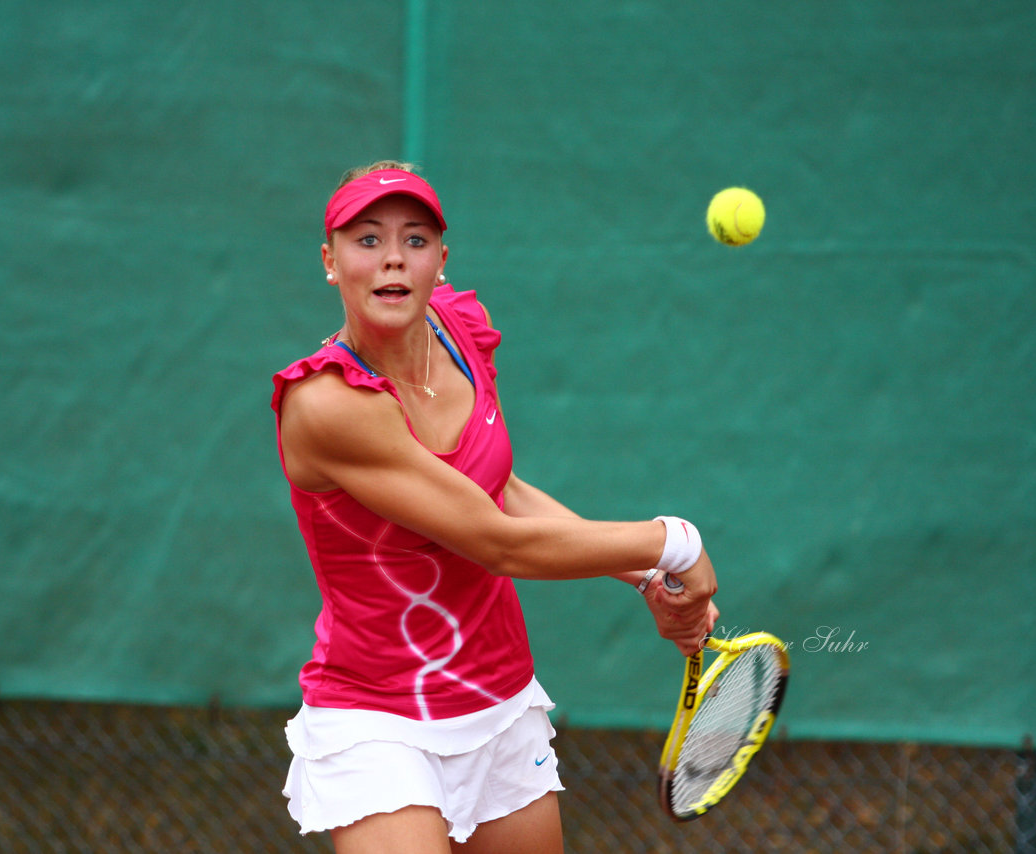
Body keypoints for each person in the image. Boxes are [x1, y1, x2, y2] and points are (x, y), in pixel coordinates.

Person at [271, 160, 720, 854]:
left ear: (440, 261)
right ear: (330, 262)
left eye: (415, 240)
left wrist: (642, 579)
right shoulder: (327, 404)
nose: (393, 257)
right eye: (367, 240)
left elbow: (500, 492)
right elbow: (497, 541)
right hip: (377, 715)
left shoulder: (461, 332)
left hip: (498, 698)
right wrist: (673, 544)